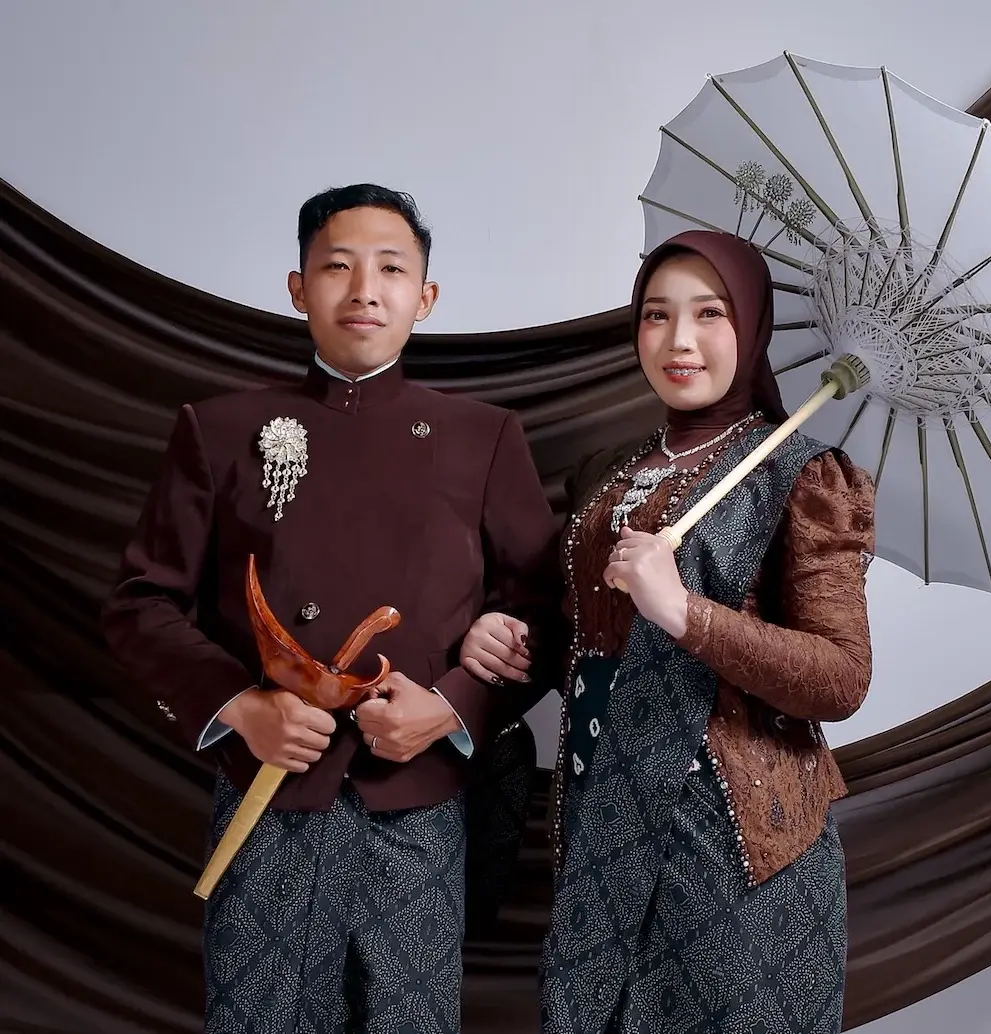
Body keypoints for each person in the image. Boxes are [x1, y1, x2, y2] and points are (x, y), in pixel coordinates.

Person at [101, 183, 559, 1034]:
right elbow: (140, 605)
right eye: (337, 267)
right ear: (297, 288)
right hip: (269, 797)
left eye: (391, 270)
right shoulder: (221, 428)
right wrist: (242, 707)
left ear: (426, 297)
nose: (364, 291)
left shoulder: (484, 437)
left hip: (419, 803)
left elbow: (547, 615)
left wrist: (449, 708)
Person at [460, 230, 876, 1034]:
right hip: (599, 821)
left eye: (710, 314)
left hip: (730, 844)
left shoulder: (802, 474)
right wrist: (511, 643)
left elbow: (841, 676)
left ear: (751, 326)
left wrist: (687, 613)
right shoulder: (605, 472)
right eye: (656, 315)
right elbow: (587, 634)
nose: (679, 340)